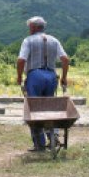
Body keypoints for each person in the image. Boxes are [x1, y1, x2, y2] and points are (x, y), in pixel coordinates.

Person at [17, 16, 69, 151]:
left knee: (34, 109)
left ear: (33, 27)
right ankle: (53, 136)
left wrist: (19, 77)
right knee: (50, 107)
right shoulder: (54, 40)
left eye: (30, 27)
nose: (29, 29)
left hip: (35, 75)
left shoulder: (28, 41)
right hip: (51, 76)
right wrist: (64, 77)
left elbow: (21, 60)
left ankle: (39, 144)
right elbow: (65, 59)